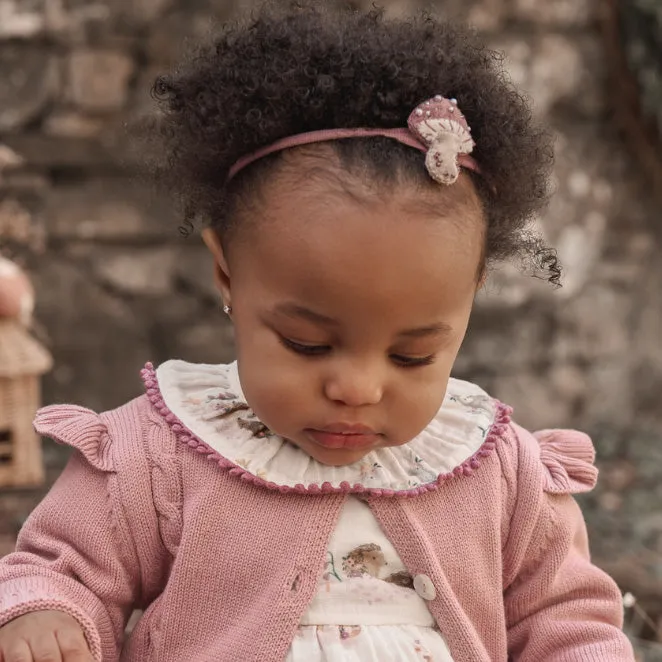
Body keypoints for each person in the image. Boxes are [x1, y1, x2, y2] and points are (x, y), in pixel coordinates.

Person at [0, 3, 635, 661]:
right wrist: (48, 613)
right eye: (308, 344)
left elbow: (568, 619)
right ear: (226, 276)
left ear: (468, 302)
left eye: (413, 354)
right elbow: (60, 563)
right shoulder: (160, 452)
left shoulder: (500, 471)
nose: (356, 388)